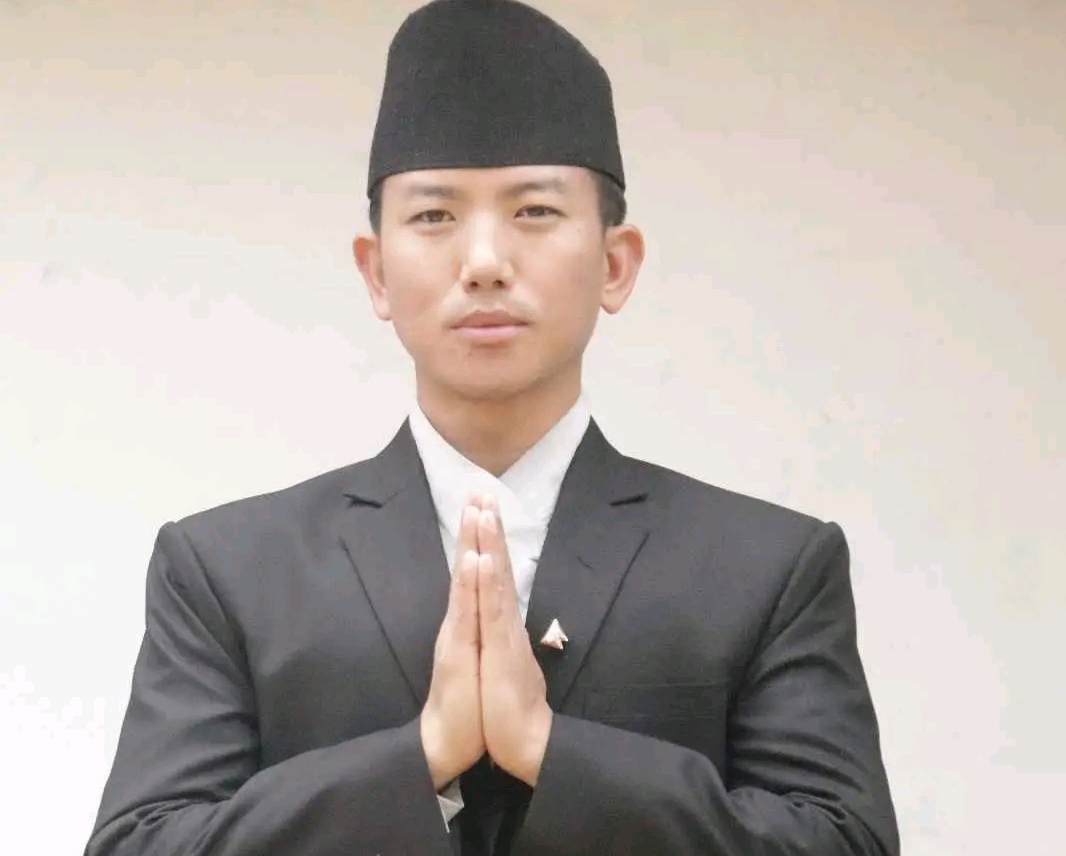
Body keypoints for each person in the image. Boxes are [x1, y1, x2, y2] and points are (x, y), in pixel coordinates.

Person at [84, 1, 899, 855]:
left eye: (535, 211)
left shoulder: (767, 568)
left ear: (615, 264)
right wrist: (421, 757)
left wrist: (548, 749)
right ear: (376, 273)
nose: (482, 262)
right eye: (434, 216)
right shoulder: (229, 571)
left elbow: (847, 844)